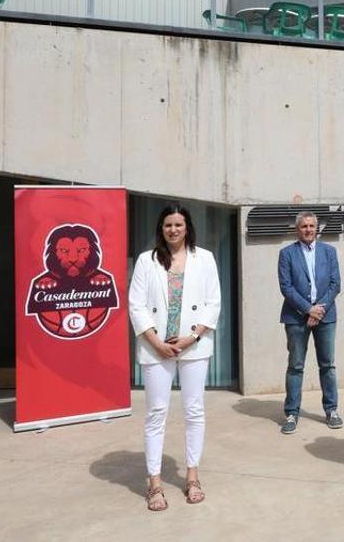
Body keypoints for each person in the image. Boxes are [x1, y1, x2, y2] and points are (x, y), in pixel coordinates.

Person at [128, 204, 221, 511]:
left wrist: (191, 337)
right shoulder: (147, 260)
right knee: (156, 413)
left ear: (187, 227)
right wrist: (156, 342)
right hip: (156, 348)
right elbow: (136, 305)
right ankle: (154, 483)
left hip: (193, 345)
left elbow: (213, 303)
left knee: (194, 410)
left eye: (179, 224)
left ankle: (192, 477)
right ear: (161, 228)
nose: (173, 230)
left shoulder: (204, 258)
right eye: (168, 225)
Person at [277, 211, 342, 434]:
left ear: (317, 228)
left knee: (328, 365)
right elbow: (286, 287)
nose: (308, 230)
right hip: (296, 317)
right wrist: (308, 310)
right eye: (304, 226)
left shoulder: (329, 252)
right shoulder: (286, 253)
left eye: (311, 226)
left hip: (326, 316)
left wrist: (319, 310)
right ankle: (292, 413)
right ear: (298, 229)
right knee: (295, 366)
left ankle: (332, 410)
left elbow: (335, 284)